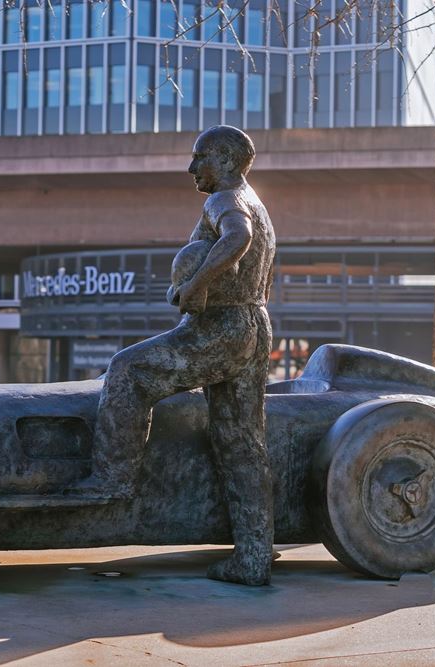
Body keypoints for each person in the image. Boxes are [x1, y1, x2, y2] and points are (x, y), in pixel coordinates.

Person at [70, 125, 276, 586]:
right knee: (242, 442)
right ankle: (254, 556)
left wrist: (196, 284)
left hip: (222, 325)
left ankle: (111, 481)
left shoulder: (224, 199)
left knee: (129, 369)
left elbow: (237, 237)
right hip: (253, 325)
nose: (191, 168)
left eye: (199, 156)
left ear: (224, 159)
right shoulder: (256, 199)